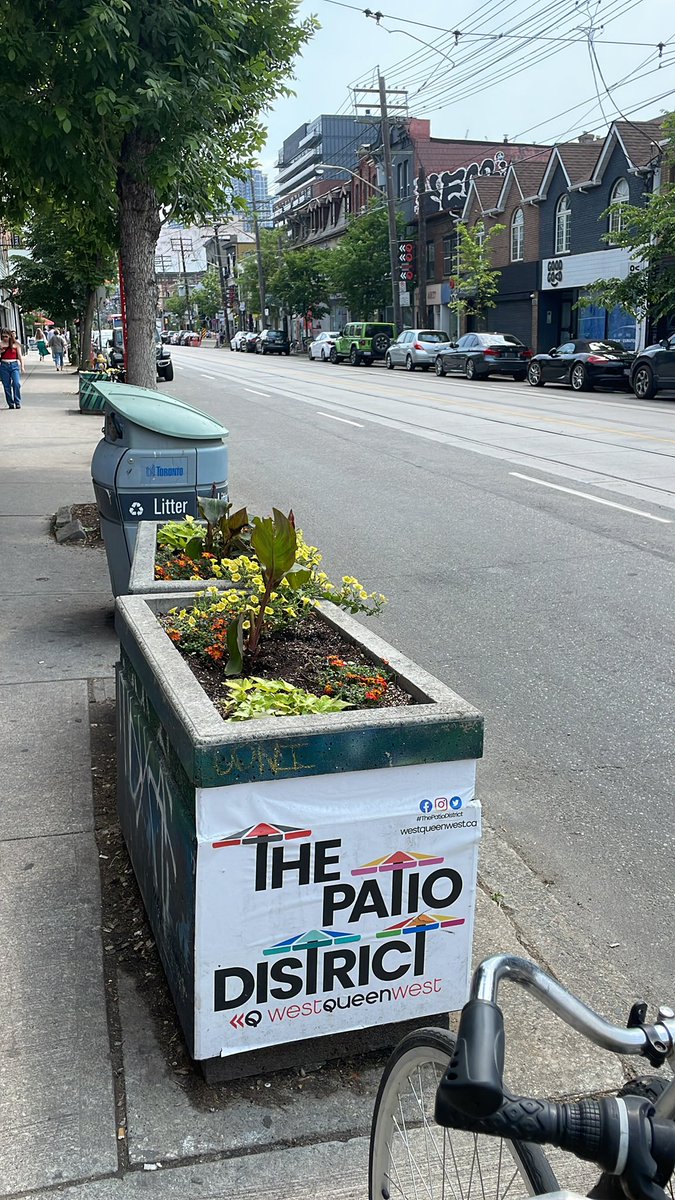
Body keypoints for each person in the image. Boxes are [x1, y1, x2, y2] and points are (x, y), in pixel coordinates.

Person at [0, 328, 25, 408]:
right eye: (3, 336)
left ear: (10, 336)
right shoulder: (0, 344)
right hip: (4, 365)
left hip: (14, 364)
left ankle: (17, 401)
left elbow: (20, 356)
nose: (5, 338)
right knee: (6, 385)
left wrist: (22, 366)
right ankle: (10, 403)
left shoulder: (16, 344)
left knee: (16, 383)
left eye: (6, 336)